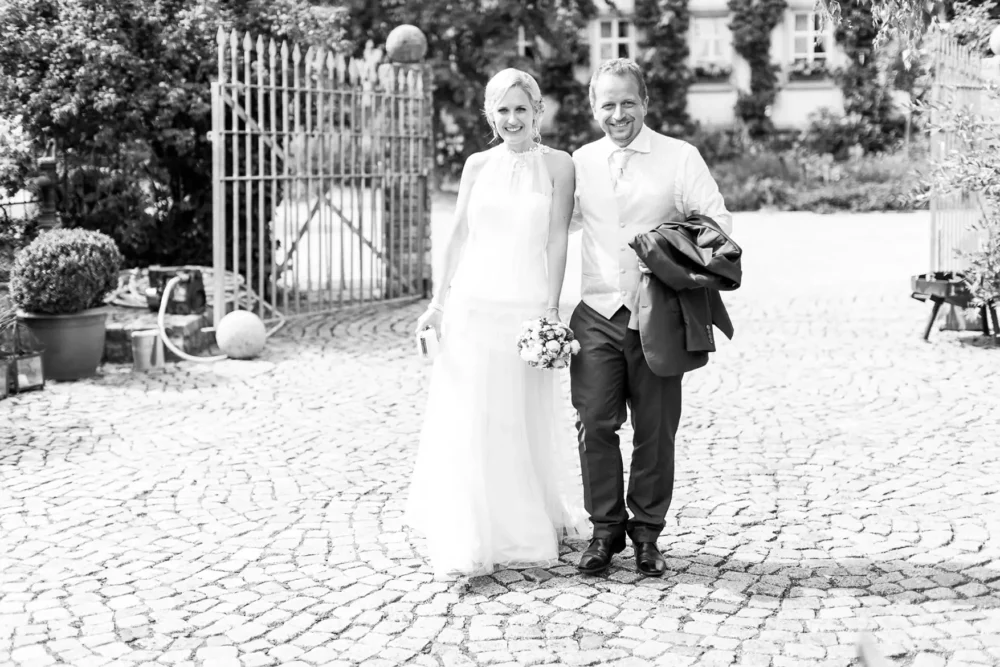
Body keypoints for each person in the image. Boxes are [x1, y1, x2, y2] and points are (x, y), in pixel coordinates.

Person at [405, 68, 588, 577]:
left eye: (520, 109)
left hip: (525, 306)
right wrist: (438, 303)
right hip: (472, 306)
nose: (512, 119)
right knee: (471, 416)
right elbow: (459, 233)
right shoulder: (476, 164)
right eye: (502, 110)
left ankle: (523, 518)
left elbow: (557, 238)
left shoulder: (559, 165)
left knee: (518, 418)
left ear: (538, 111)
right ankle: (470, 525)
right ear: (491, 115)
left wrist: (551, 309)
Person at [569, 58, 734, 577]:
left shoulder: (679, 157)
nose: (618, 114)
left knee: (655, 429)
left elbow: (718, 226)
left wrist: (664, 247)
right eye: (607, 104)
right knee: (594, 423)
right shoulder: (580, 161)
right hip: (595, 310)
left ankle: (646, 533)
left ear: (645, 102)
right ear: (593, 107)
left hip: (657, 312)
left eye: (627, 102)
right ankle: (604, 532)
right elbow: (552, 228)